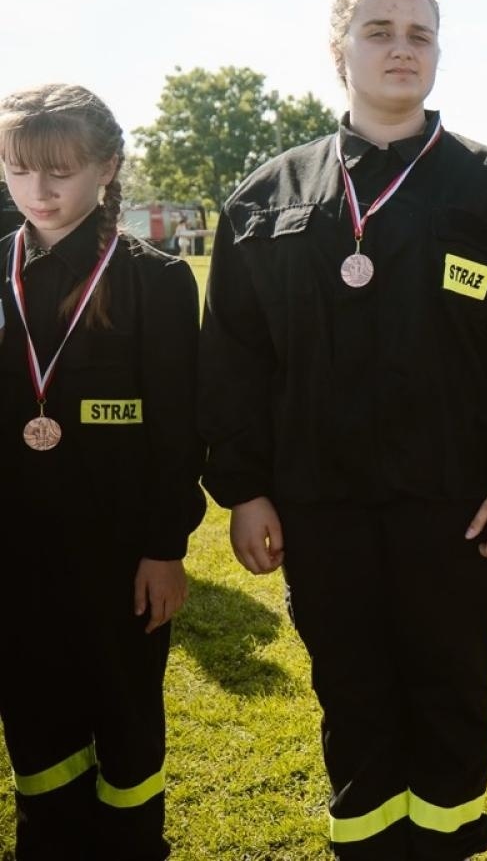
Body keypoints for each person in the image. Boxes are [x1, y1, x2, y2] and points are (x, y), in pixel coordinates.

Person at [200, 0, 487, 861]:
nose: (402, 46)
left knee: (450, 691)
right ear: (341, 53)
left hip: (455, 504)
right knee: (353, 694)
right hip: (318, 503)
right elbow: (233, 361)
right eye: (379, 31)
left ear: (438, 54)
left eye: (420, 33)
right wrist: (245, 491)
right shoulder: (268, 196)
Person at [0, 84, 203, 861]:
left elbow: (178, 431)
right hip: (15, 556)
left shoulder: (154, 279)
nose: (40, 192)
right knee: (35, 724)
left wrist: (164, 547)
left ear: (108, 167)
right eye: (19, 171)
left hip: (121, 557)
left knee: (124, 722)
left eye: (60, 171)